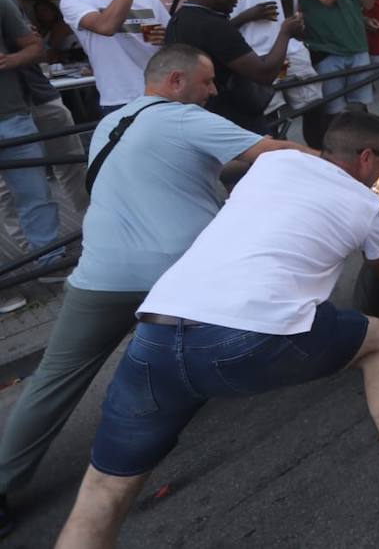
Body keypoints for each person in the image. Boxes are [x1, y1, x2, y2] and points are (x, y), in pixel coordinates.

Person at [53, 113, 379, 545]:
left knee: (104, 488)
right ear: (365, 157)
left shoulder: (273, 164)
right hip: (246, 334)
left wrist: (371, 166)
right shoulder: (367, 209)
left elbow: (309, 163)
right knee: (378, 340)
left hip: (158, 328)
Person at [0, 45, 301, 537]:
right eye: (206, 82)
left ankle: (3, 484)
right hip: (178, 275)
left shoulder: (110, 124)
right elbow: (277, 152)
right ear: (177, 82)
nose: (214, 90)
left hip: (99, 276)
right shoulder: (184, 119)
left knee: (53, 380)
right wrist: (342, 163)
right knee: (269, 296)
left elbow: (175, 169)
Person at [165, 0, 304, 133]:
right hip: (233, 123)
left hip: (201, 119)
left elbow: (222, 60)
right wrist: (285, 32)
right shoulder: (213, 26)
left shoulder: (178, 20)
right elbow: (264, 73)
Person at [292, 0, 376, 147]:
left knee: (360, 109)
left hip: (357, 46)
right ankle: (332, 156)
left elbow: (367, 2)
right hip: (327, 50)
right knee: (333, 114)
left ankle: (360, 153)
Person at [0, 0, 62, 313]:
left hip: (11, 117)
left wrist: (9, 60)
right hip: (13, 118)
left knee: (35, 194)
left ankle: (51, 263)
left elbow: (35, 48)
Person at [58, 0, 168, 114]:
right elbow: (106, 26)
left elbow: (166, 42)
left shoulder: (149, 0)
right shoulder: (75, 1)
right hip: (121, 98)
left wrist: (166, 37)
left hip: (162, 93)